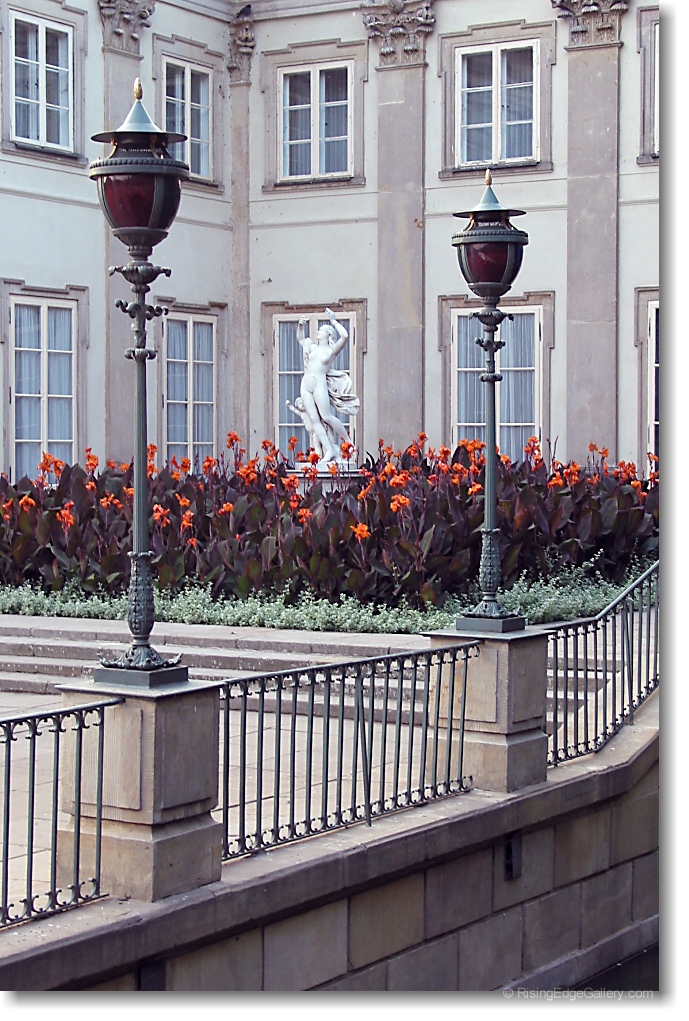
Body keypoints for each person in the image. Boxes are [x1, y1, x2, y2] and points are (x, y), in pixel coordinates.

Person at [294, 309, 359, 463]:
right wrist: (300, 326)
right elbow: (301, 339)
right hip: (306, 383)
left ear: (328, 334)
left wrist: (334, 321)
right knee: (314, 419)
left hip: (319, 383)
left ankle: (348, 442)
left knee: (326, 416)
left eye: (321, 330)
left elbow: (345, 336)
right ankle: (329, 450)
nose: (318, 332)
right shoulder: (312, 347)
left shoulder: (331, 351)